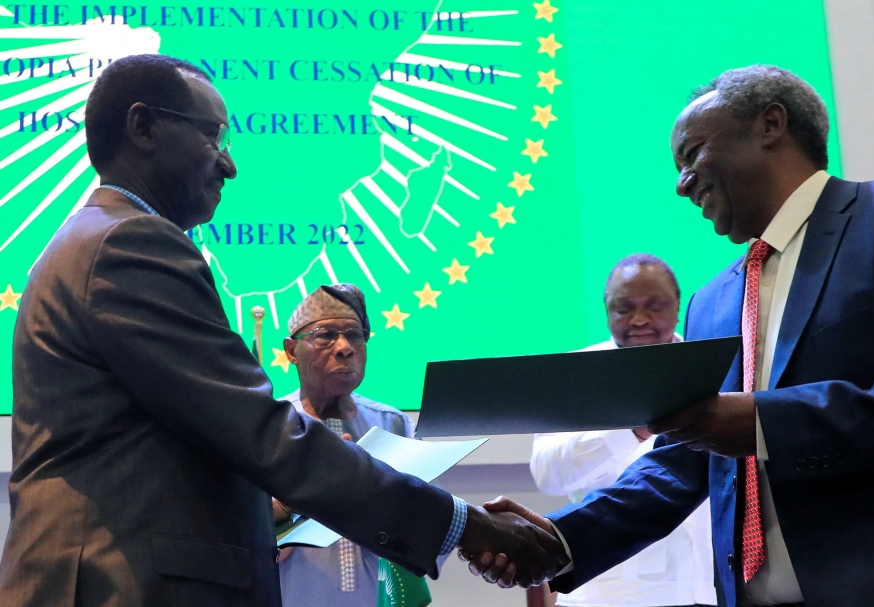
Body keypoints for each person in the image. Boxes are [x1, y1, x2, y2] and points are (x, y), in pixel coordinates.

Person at [0, 54, 565, 607]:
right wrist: (461, 524)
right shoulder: (129, 244)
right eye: (214, 138)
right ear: (143, 126)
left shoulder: (95, 241)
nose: (229, 165)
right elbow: (258, 432)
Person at [469, 65, 874, 606]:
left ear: (770, 125)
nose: (681, 185)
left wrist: (769, 422)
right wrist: (559, 538)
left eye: (692, 154)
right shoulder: (712, 302)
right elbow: (688, 459)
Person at [531, 254, 715, 607]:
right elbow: (548, 475)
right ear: (607, 312)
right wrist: (634, 428)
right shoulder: (575, 374)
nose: (640, 320)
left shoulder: (711, 368)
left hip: (712, 586)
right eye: (624, 308)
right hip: (612, 592)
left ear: (678, 306)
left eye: (655, 305)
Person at [273, 283, 432, 606]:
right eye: (325, 335)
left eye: (355, 334)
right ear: (291, 351)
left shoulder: (392, 424)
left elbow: (430, 527)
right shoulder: (268, 427)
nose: (344, 347)